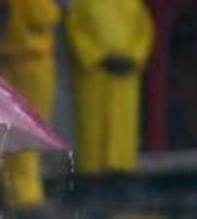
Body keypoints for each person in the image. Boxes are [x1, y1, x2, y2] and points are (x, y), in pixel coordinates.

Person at [65, 0, 154, 177]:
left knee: (122, 129)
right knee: (92, 129)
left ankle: (121, 173)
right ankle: (90, 178)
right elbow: (73, 29)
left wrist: (134, 57)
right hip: (95, 75)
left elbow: (145, 29)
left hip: (124, 75)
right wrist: (97, 57)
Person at [0, 0, 62, 219]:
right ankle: (28, 198)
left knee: (8, 129)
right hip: (32, 61)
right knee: (31, 129)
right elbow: (42, 18)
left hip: (5, 58)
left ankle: (11, 194)